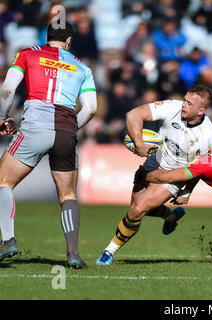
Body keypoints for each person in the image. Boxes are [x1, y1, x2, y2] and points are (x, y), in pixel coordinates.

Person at [0, 21, 97, 269]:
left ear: (47, 36)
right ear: (69, 40)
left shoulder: (27, 54)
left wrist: (2, 117)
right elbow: (91, 108)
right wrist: (73, 127)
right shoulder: (82, 67)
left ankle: (8, 240)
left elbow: (8, 89)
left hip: (35, 127)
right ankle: (73, 254)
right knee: (68, 195)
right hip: (66, 131)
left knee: (3, 181)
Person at [96, 85, 212, 265]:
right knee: (137, 209)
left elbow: (201, 167)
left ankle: (109, 251)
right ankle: (170, 216)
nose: (184, 105)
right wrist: (139, 144)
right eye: (184, 99)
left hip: (173, 176)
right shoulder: (172, 107)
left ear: (201, 110)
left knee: (137, 210)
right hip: (152, 164)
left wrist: (186, 192)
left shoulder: (209, 135)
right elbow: (133, 115)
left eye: (189, 103)